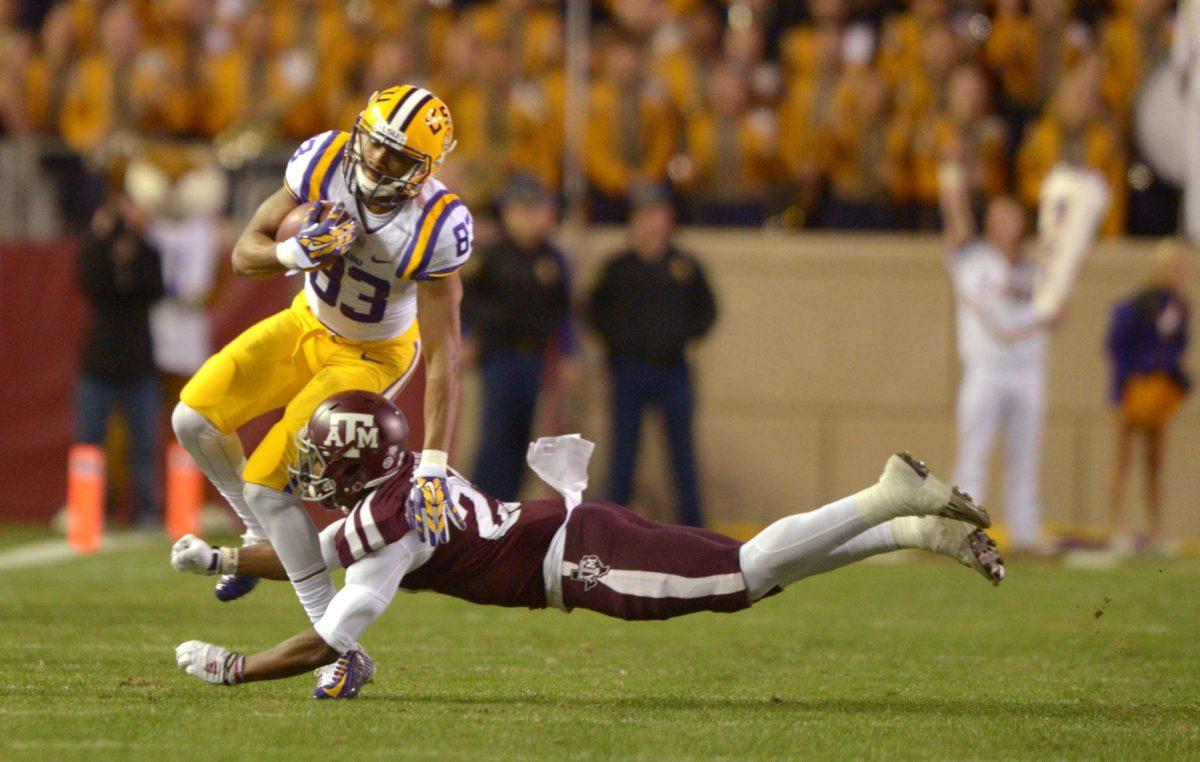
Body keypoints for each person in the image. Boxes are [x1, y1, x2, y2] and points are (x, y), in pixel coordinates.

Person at [171, 390, 1004, 698]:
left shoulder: (388, 533)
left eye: (324, 455)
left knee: (745, 576)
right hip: (576, 534)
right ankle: (911, 528)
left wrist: (235, 667)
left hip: (579, 560)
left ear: (360, 462)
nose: (312, 468)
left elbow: (330, 633)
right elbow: (312, 559)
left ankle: (885, 495)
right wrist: (220, 559)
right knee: (745, 578)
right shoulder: (400, 496)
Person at [169, 84, 473, 634]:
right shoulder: (325, 158)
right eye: (376, 144)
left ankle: (331, 640)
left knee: (268, 485)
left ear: (425, 168)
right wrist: (292, 252)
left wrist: (434, 464)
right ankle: (258, 538)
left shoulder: (435, 225)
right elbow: (245, 252)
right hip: (307, 319)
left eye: (399, 156)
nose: (379, 161)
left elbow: (447, 356)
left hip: (372, 353)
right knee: (192, 420)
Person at [938, 156, 1056, 553]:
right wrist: (952, 182)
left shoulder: (1038, 267)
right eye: (1000, 216)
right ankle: (960, 532)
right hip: (985, 370)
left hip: (1028, 372)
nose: (1007, 224)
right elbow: (956, 223)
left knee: (1024, 458)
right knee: (973, 453)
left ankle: (1026, 531)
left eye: (1013, 216)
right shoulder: (973, 260)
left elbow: (1057, 313)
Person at [586, 183, 716, 527]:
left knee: (682, 456)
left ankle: (693, 529)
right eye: (643, 214)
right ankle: (613, 528)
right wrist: (618, 343)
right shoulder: (618, 268)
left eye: (657, 213)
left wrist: (685, 337)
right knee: (622, 455)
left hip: (672, 369)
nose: (651, 222)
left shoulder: (684, 265)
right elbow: (594, 311)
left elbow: (707, 311)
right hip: (628, 369)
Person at [462, 174, 577, 500]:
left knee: (522, 436)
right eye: (522, 210)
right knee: (495, 434)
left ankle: (509, 507)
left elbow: (564, 311)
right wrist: (467, 338)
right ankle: (480, 503)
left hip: (534, 356)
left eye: (536, 209)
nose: (530, 219)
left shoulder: (552, 259)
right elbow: (468, 302)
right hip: (499, 354)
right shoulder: (491, 255)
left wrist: (569, 352)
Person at [76, 180, 164, 528]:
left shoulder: (148, 252)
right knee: (90, 443)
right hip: (98, 362)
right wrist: (101, 241)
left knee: (143, 447)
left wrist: (136, 246)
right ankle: (89, 509)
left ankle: (146, 511)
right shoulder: (97, 249)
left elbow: (154, 290)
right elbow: (90, 283)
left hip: (138, 363)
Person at [1106, 240, 1192, 552]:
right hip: (1132, 392)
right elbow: (1118, 347)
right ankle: (1117, 528)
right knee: (1123, 460)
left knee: (1154, 464)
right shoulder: (1137, 305)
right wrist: (1135, 378)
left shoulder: (1180, 307)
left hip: (1159, 396)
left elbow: (1176, 349)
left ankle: (1155, 529)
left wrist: (1174, 380)